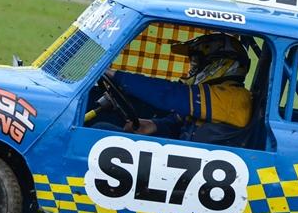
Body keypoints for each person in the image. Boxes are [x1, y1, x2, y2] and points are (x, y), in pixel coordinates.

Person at [98, 32, 254, 145]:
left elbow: (170, 95)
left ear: (218, 65)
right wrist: (155, 125)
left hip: (197, 168)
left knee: (101, 131)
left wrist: (115, 75)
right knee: (104, 129)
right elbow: (179, 122)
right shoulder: (218, 93)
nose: (192, 69)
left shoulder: (234, 97)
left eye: (196, 63)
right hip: (189, 158)